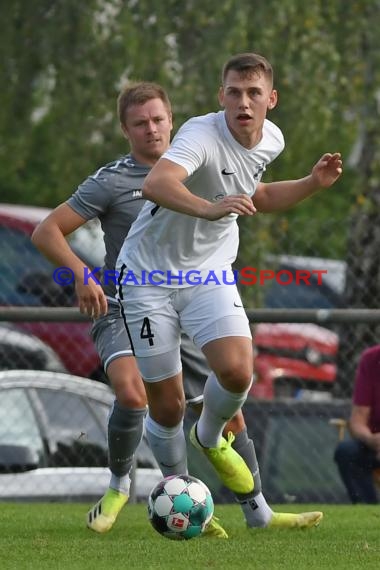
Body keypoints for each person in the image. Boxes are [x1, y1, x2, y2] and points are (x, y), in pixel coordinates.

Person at [31, 81, 300, 539]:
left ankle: (259, 510)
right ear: (125, 130)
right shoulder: (112, 181)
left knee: (229, 403)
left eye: (158, 120)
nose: (152, 130)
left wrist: (309, 183)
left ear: (172, 121)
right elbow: (46, 231)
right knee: (136, 395)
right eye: (140, 123)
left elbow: (259, 192)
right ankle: (121, 485)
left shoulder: (202, 159)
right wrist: (82, 275)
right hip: (124, 300)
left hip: (192, 294)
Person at [116, 53, 342, 528]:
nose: (243, 101)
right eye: (234, 92)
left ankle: (209, 434)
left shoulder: (272, 140)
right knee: (168, 403)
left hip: (209, 272)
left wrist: (311, 184)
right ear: (221, 97)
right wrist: (210, 208)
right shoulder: (200, 133)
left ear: (270, 100)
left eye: (253, 92)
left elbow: (256, 195)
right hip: (147, 276)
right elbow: (158, 183)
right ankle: (183, 500)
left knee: (239, 372)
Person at [334, 345, 380, 504]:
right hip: (375, 445)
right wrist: (372, 439)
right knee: (347, 452)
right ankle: (367, 509)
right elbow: (358, 420)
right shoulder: (371, 359)